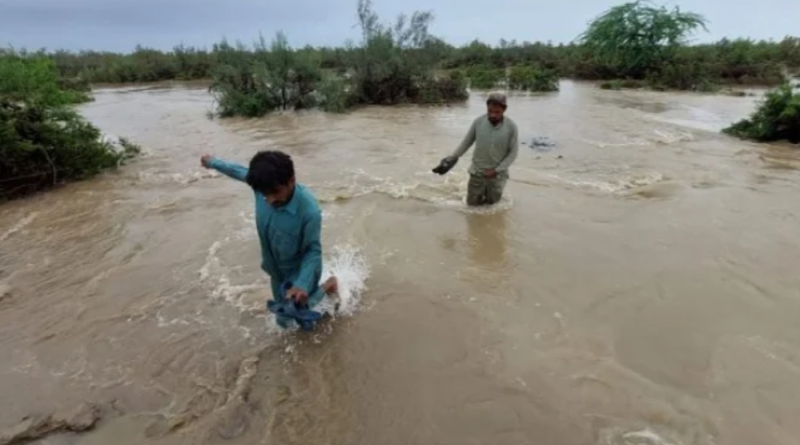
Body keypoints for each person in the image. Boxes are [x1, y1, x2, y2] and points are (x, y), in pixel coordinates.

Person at [200, 150, 337, 329]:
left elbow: (313, 250)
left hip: (301, 270)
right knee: (284, 318)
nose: (270, 200)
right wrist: (212, 162)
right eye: (265, 194)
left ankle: (327, 286)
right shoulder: (262, 187)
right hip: (275, 269)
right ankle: (321, 291)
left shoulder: (309, 212)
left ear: (291, 181)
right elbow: (238, 171)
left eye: (276, 192)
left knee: (305, 325)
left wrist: (301, 285)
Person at [437, 92, 519, 206]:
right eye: (490, 111)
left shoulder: (511, 127)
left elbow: (513, 153)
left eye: (497, 112)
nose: (493, 115)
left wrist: (496, 171)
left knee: (493, 207)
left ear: (504, 109)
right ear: (487, 107)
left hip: (498, 176)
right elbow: (466, 143)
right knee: (472, 206)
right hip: (477, 172)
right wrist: (452, 158)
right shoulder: (478, 122)